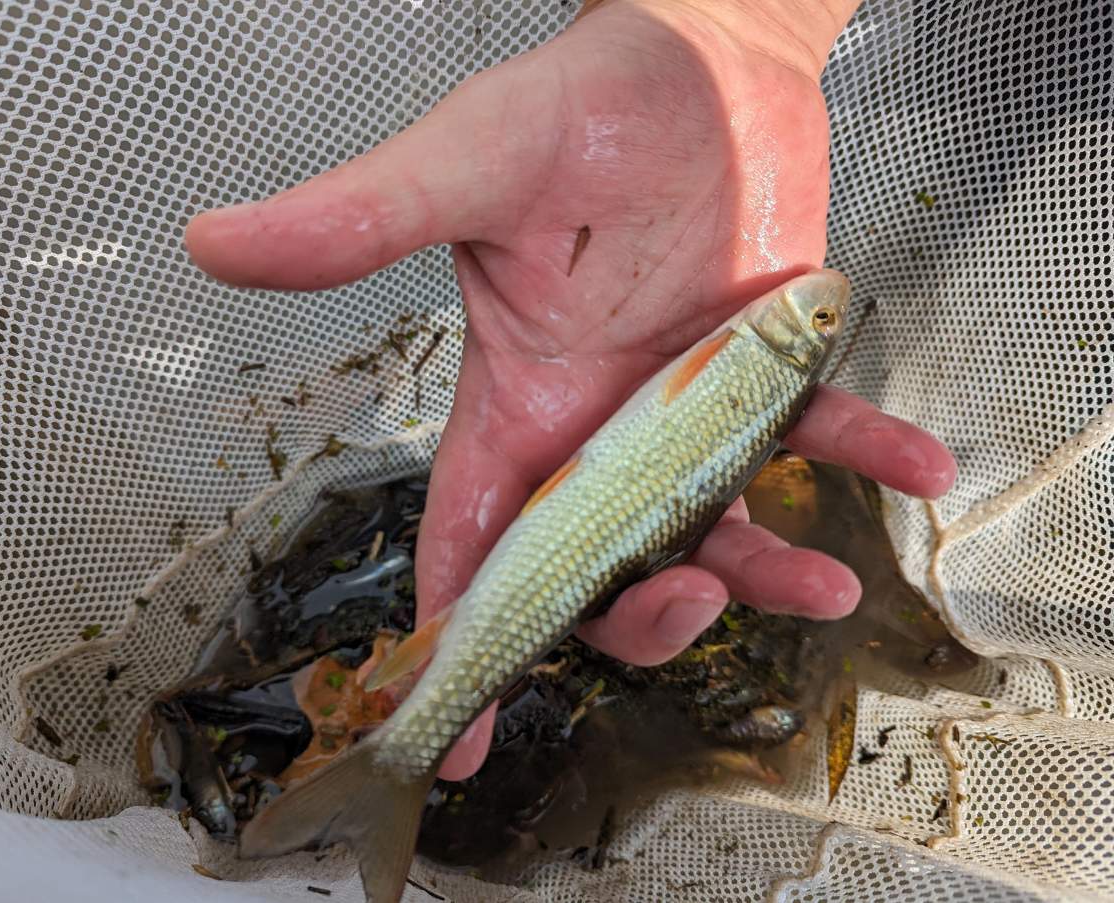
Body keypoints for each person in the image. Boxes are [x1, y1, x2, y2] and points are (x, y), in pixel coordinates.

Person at [185, 0, 956, 782]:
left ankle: (396, 763)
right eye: (826, 320)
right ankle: (401, 754)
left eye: (819, 319)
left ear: (794, 337)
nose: (821, 307)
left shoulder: (753, 353)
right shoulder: (754, 357)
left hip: (577, 541)